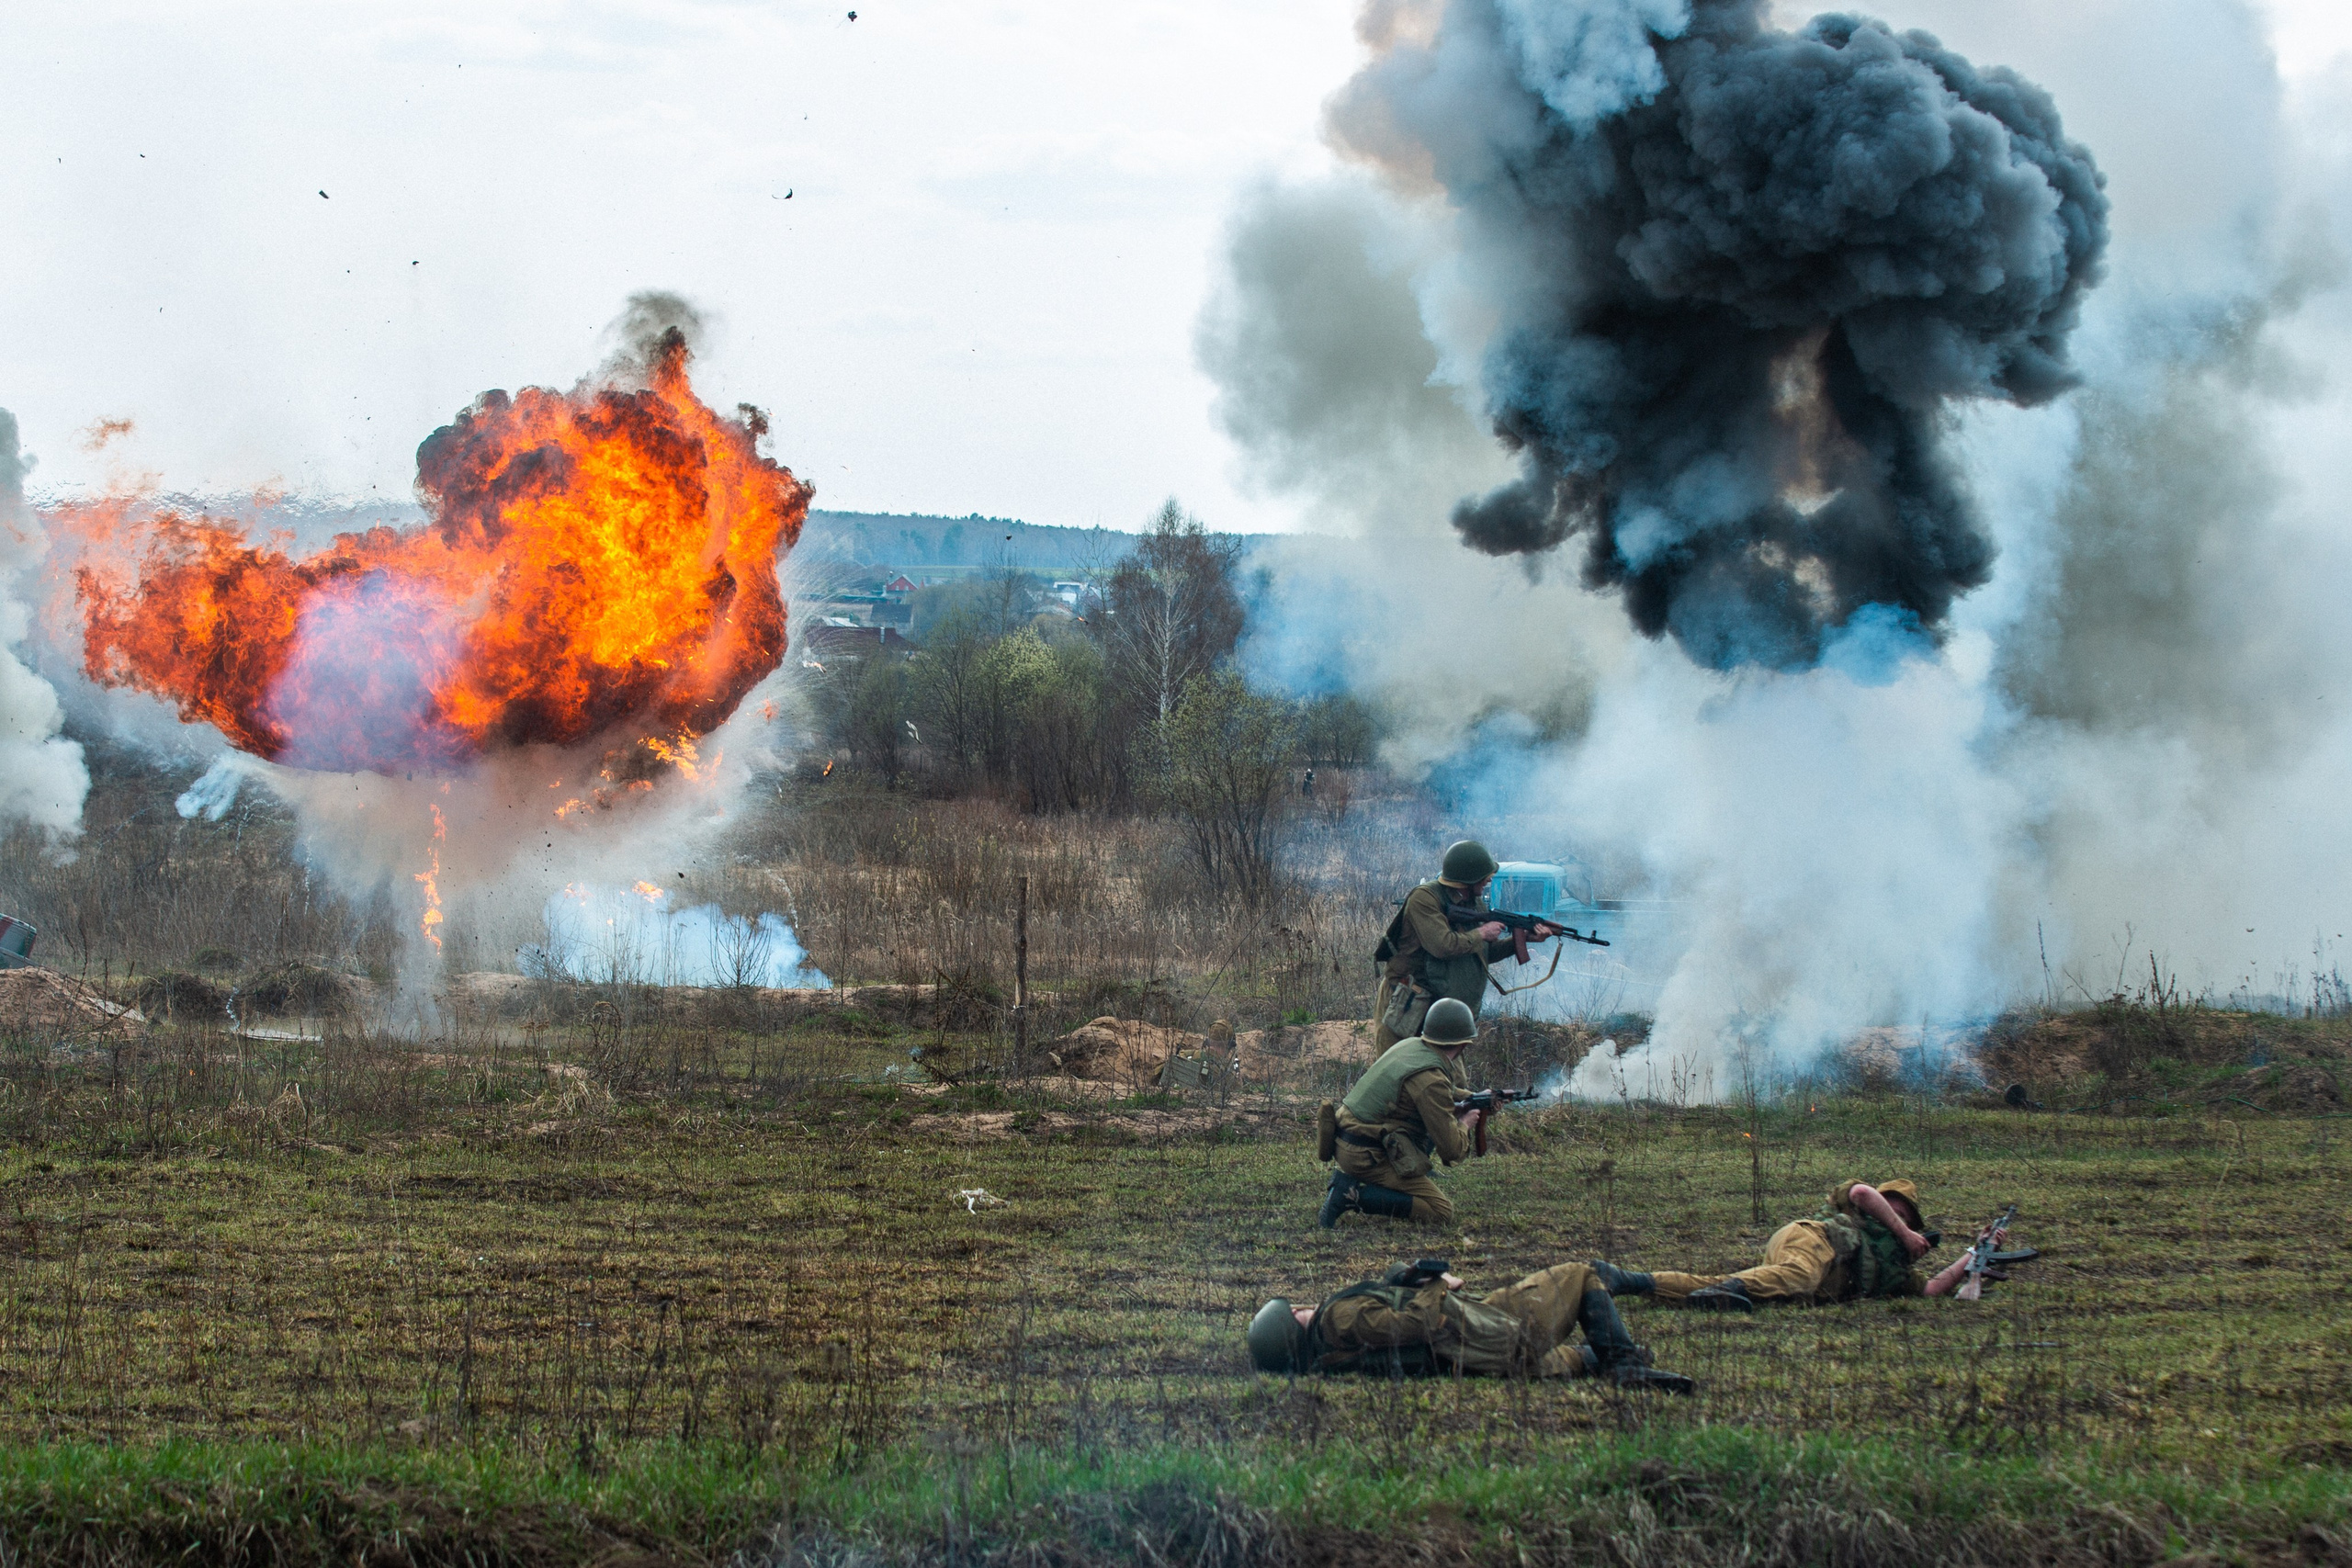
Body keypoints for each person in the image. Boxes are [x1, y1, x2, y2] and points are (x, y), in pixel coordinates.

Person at [1244, 1256, 1695, 1393]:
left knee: (1577, 1359)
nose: (1301, 1306)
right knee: (1583, 1275)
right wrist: (1439, 1283)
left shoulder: (1330, 1353)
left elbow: (1387, 1328)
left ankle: (1612, 1359)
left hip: (1474, 1358)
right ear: (1296, 1326)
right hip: (1485, 1330)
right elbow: (1418, 1323)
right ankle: (1624, 1364)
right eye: (1294, 1312)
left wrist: (1398, 1280)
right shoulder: (1338, 1318)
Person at [1600, 1180, 2000, 1309]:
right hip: (1812, 1240)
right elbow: (1862, 1191)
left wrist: (1973, 1255)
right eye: (1897, 1206)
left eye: (1908, 1215)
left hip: (1802, 1266)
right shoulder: (1864, 1206)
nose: (1902, 1215)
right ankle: (1727, 1291)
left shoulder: (1896, 1266)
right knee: (1798, 1277)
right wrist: (1904, 1232)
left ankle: (1633, 1282)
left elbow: (1930, 1289)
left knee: (1746, 1284)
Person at [1371, 840, 1556, 1050]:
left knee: (1443, 1074)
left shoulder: (1473, 902)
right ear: (1468, 879)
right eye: (1485, 876)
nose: (1490, 879)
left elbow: (1481, 952)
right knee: (1399, 1067)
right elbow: (1443, 946)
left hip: (1440, 1002)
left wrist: (1519, 942)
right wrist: (1482, 932)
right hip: (1407, 998)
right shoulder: (1424, 899)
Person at [1317, 997, 1485, 1226]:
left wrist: (1474, 1098)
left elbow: (1437, 1093)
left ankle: (1360, 1185)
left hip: (1348, 1141)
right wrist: (1465, 1122)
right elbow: (1451, 1149)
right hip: (1366, 1156)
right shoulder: (1431, 1080)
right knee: (1441, 1211)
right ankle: (1350, 1197)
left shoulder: (1411, 1046)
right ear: (1464, 1044)